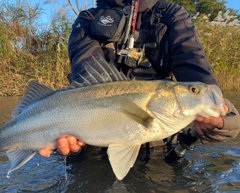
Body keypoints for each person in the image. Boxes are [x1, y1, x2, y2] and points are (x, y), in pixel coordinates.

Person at [39, 0, 240, 158]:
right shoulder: (88, 19)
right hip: (92, 147)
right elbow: (88, 75)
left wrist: (223, 115)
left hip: (158, 151)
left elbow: (194, 67)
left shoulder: (172, 15)